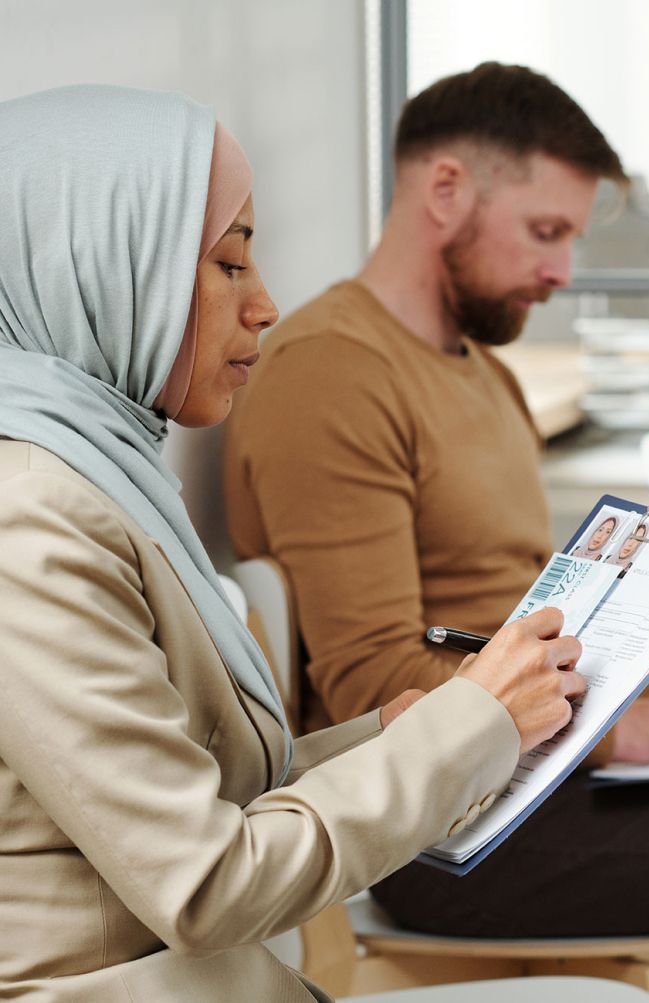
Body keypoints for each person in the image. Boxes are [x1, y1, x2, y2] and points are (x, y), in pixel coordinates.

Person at [0, 84, 588, 1002]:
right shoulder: (30, 517)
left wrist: (403, 733)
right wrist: (470, 725)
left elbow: (191, 795)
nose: (266, 304)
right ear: (98, 263)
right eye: (228, 263)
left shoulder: (96, 472)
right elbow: (206, 883)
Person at [224, 62, 649, 938]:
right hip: (448, 831)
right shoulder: (333, 371)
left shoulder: (487, 375)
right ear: (445, 188)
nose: (562, 271)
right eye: (546, 230)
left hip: (550, 774)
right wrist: (642, 734)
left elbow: (517, 618)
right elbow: (373, 692)